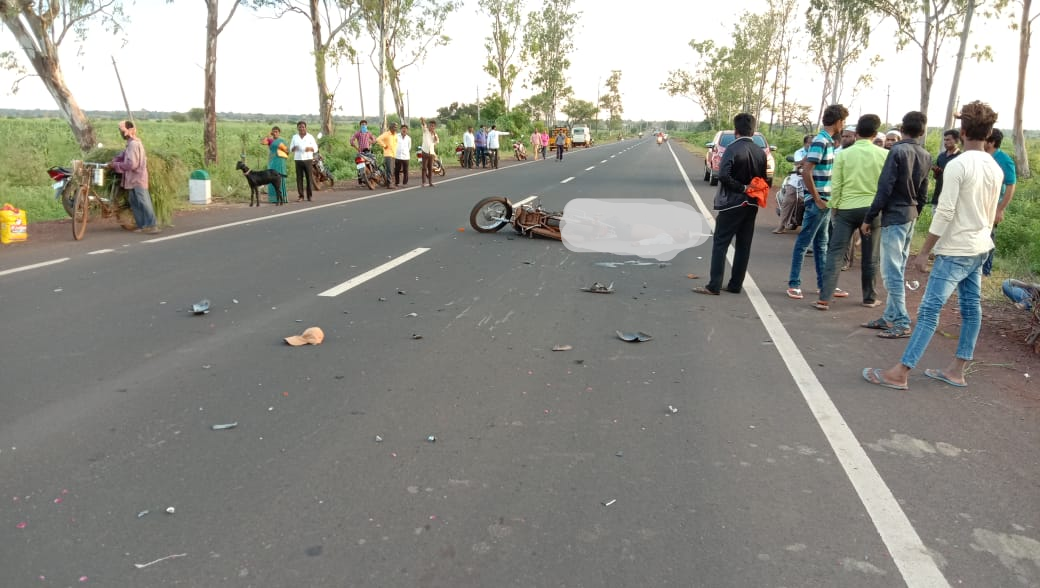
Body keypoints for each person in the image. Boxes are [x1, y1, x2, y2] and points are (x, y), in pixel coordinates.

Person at [862, 100, 1003, 390]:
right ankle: (957, 370)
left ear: (962, 130)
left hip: (956, 249)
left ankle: (900, 372)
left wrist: (924, 251)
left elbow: (946, 212)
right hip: (980, 246)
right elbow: (991, 212)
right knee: (971, 307)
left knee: (929, 311)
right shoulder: (994, 166)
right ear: (989, 132)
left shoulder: (959, 164)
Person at [861, 111, 931, 339]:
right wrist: (916, 212)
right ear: (922, 131)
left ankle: (901, 320)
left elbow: (885, 187)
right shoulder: (925, 154)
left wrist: (869, 217)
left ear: (902, 129)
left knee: (890, 271)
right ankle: (890, 315)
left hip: (894, 216)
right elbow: (923, 191)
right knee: (897, 268)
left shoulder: (897, 151)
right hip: (910, 215)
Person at [813, 114, 888, 311]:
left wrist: (834, 207)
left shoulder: (844, 154)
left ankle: (824, 298)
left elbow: (835, 183)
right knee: (870, 256)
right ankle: (869, 298)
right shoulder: (884, 155)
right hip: (871, 211)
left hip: (845, 209)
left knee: (835, 252)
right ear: (875, 133)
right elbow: (886, 186)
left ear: (856, 133)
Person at [693, 113, 767, 296]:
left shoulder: (732, 149)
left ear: (736, 131)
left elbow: (723, 175)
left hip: (732, 203)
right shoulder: (760, 152)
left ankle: (714, 285)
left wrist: (741, 188)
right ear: (753, 130)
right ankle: (735, 285)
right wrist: (751, 191)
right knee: (744, 245)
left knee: (720, 243)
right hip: (752, 203)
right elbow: (764, 179)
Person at [786, 103, 848, 300]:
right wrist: (817, 198)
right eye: (843, 121)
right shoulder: (821, 141)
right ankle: (794, 284)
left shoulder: (827, 141)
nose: (843, 125)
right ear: (838, 121)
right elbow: (806, 170)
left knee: (822, 244)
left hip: (825, 200)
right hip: (819, 201)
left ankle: (825, 285)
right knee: (804, 243)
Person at [110, 120, 159, 234]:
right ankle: (142, 225)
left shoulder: (133, 144)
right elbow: (123, 155)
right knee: (135, 202)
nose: (120, 133)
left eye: (121, 131)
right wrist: (114, 160)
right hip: (132, 179)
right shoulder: (130, 144)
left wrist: (116, 165)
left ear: (127, 131)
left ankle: (152, 225)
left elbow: (132, 164)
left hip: (137, 178)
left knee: (144, 202)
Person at [982, 128, 1018, 276]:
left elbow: (1011, 185)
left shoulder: (1004, 159)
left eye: (984, 139)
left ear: (992, 142)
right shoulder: (982, 156)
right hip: (980, 204)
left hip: (993, 206)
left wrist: (1000, 209)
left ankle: (986, 272)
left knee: (988, 238)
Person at [774, 134, 811, 234]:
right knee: (788, 200)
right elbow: (798, 163)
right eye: (809, 143)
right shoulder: (799, 152)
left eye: (813, 143)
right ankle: (781, 226)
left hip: (811, 181)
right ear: (805, 143)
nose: (811, 145)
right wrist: (807, 157)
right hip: (796, 181)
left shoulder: (819, 152)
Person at [289, 120, 318, 201]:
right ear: (297, 128)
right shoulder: (295, 137)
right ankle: (301, 196)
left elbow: (315, 148)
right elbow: (291, 148)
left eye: (303, 127)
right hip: (298, 159)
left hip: (308, 159)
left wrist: (310, 148)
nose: (301, 128)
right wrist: (294, 148)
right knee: (299, 178)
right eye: (300, 127)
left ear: (305, 128)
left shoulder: (310, 137)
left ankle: (309, 196)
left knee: (309, 178)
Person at [930, 129, 961, 206]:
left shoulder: (960, 157)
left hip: (952, 200)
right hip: (938, 197)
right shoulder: (941, 156)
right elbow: (936, 177)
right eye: (944, 140)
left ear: (956, 140)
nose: (945, 142)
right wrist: (936, 172)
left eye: (948, 140)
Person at [262, 126, 289, 204]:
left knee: (279, 177)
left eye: (276, 131)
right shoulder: (270, 140)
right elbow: (262, 142)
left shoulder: (282, 140)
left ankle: (282, 197)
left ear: (279, 132)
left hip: (280, 160)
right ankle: (273, 198)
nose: (275, 133)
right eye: (273, 131)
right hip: (272, 160)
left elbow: (287, 151)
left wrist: (282, 149)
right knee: (270, 177)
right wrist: (268, 135)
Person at [350, 119, 376, 186]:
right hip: (361, 152)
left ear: (366, 125)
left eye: (365, 124)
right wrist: (356, 147)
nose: (364, 125)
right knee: (360, 167)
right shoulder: (358, 133)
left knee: (372, 163)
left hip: (368, 151)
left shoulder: (368, 133)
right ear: (360, 126)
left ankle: (372, 178)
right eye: (362, 124)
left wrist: (371, 142)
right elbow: (351, 140)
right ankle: (360, 182)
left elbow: (374, 139)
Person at [377, 122, 398, 190]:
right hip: (388, 154)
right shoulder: (386, 134)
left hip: (393, 154)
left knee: (391, 169)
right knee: (389, 170)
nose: (396, 128)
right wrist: (384, 145)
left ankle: (388, 183)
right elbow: (378, 139)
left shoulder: (395, 135)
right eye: (394, 127)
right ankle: (389, 184)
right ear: (390, 127)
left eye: (396, 127)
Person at [419, 117, 439, 187]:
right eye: (430, 125)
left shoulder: (435, 134)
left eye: (433, 126)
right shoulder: (425, 131)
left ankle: (430, 182)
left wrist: (435, 136)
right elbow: (423, 125)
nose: (432, 127)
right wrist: (423, 121)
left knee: (430, 168)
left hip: (431, 153)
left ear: (434, 127)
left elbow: (436, 142)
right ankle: (424, 182)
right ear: (429, 126)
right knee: (424, 168)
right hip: (425, 151)